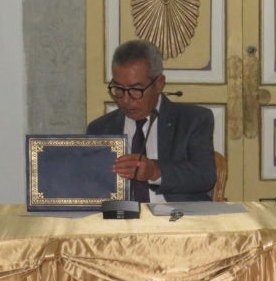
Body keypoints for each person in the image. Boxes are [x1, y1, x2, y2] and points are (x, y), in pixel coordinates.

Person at [87, 39, 216, 202]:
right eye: (119, 89)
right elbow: (91, 185)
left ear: (159, 84)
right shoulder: (100, 128)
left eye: (136, 90)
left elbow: (205, 176)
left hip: (178, 215)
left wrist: (155, 172)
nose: (126, 100)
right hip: (121, 216)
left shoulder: (193, 120)